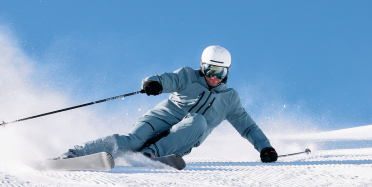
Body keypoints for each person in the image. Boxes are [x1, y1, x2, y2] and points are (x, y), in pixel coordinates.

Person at [59, 45, 278, 163]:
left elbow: (248, 128)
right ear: (202, 67)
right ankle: (74, 154)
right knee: (130, 141)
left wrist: (265, 147)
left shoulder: (230, 99)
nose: (214, 77)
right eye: (210, 71)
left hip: (181, 140)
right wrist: (153, 83)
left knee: (198, 121)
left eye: (220, 72)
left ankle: (150, 155)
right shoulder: (187, 76)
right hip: (160, 120)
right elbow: (167, 79)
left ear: (227, 72)